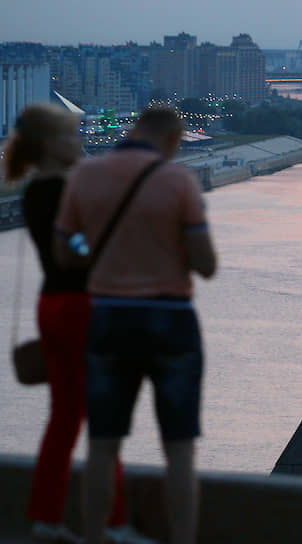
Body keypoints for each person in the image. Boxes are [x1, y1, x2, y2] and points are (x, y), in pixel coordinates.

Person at [54, 105, 217, 544]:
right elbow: (205, 265)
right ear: (171, 139)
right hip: (171, 320)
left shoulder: (85, 176)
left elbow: (64, 251)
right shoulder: (178, 180)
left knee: (103, 445)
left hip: (108, 317)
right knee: (179, 450)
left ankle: (93, 538)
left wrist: (97, 248)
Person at [3, 104, 152, 544]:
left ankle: (46, 521)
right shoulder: (65, 192)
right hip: (85, 308)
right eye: (72, 136)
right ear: (50, 145)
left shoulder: (34, 192)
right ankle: (113, 526)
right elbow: (83, 248)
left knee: (64, 420)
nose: (81, 142)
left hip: (52, 307)